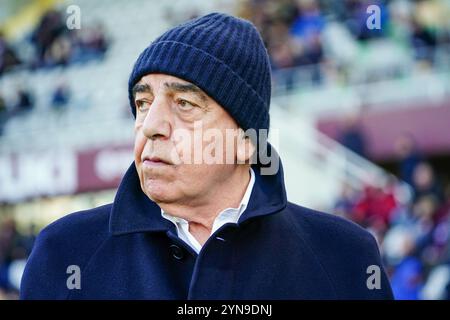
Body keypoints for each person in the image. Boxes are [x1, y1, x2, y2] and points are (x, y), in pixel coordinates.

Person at [20, 13, 393, 300]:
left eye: (184, 104)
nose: (150, 125)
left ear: (247, 142)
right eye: (142, 103)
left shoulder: (345, 257)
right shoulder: (64, 251)